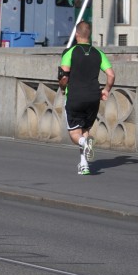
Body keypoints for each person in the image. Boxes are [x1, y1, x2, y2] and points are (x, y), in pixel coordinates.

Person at [58, 21, 114, 176]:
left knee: (75, 134)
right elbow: (111, 75)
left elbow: (63, 77)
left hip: (75, 97)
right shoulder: (98, 53)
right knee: (85, 130)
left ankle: (84, 143)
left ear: (77, 34)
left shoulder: (69, 52)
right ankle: (84, 165)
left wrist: (63, 89)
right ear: (89, 35)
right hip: (93, 97)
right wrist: (106, 90)